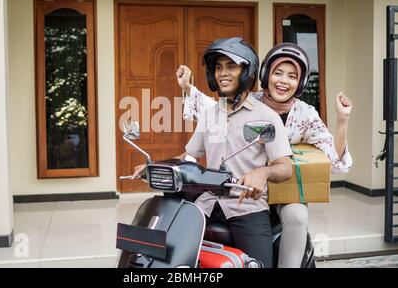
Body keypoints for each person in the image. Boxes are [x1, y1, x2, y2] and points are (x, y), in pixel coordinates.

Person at [176, 42, 353, 268]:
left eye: (291, 76)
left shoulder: (304, 114)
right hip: (236, 187)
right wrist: (188, 87)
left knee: (297, 217)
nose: (283, 81)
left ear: (300, 83)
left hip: (280, 184)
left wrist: (342, 120)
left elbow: (335, 160)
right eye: (277, 73)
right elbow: (215, 109)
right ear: (265, 75)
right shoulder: (248, 99)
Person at [133, 37, 293, 268]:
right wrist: (154, 165)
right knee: (167, 256)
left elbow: (284, 166)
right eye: (218, 67)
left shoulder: (266, 117)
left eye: (231, 66)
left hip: (245, 206)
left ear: (246, 71)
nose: (222, 73)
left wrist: (263, 172)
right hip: (206, 203)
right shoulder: (210, 114)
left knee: (259, 265)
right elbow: (189, 157)